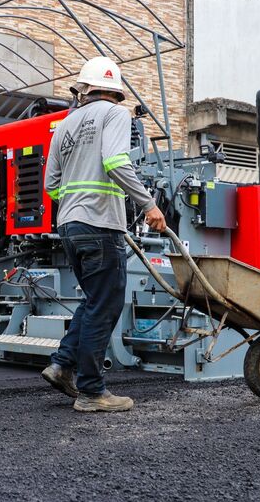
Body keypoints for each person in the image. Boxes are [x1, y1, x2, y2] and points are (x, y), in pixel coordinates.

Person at [41, 56, 166, 413]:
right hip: (100, 226)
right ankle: (92, 391)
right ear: (115, 92)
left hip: (70, 226)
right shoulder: (116, 115)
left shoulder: (64, 125)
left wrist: (75, 204)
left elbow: (51, 185)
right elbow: (115, 162)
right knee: (106, 305)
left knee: (93, 300)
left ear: (84, 89)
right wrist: (148, 204)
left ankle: (62, 364)